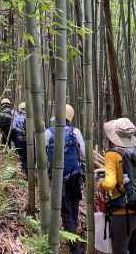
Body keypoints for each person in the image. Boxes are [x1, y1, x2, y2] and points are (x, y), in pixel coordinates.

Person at [99, 118, 136, 254]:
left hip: (123, 214)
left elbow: (110, 183)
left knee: (120, 250)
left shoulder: (112, 155)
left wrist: (99, 183)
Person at [46, 104, 85, 254]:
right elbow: (83, 154)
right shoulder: (76, 132)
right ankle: (75, 240)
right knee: (74, 206)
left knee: (66, 211)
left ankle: (75, 246)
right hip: (75, 175)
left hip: (58, 179)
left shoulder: (48, 132)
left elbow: (40, 152)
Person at [13, 102, 27, 175]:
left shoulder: (16, 116)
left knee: (22, 156)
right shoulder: (32, 116)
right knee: (31, 157)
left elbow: (13, 127)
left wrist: (21, 131)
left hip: (20, 139)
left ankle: (25, 172)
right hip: (32, 140)